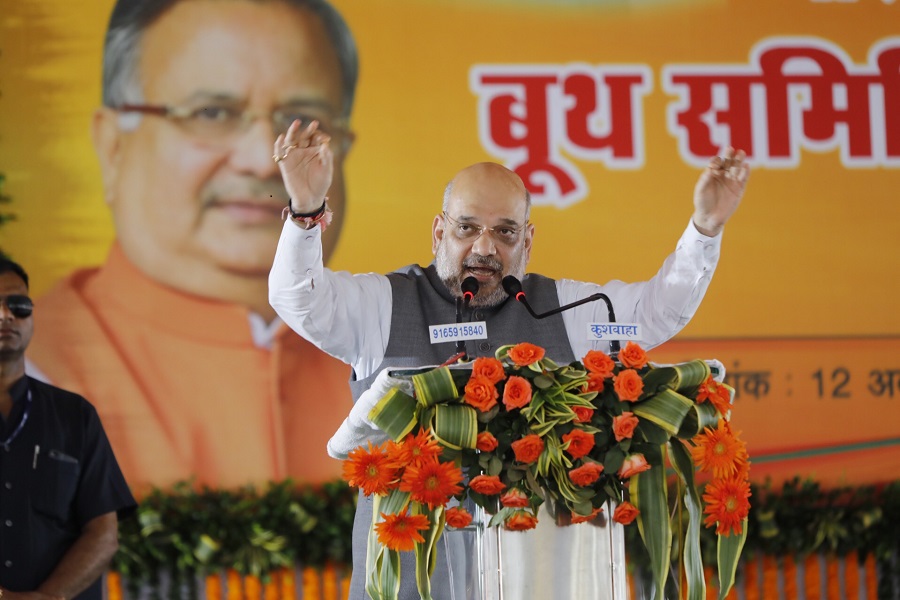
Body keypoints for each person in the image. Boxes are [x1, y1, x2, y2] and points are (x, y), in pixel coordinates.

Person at [268, 120, 750, 597]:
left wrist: (704, 230)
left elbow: (651, 313)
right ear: (438, 232)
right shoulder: (384, 304)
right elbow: (299, 299)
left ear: (528, 240)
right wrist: (306, 213)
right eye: (467, 228)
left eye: (505, 231)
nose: (485, 247)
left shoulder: (566, 309)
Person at [27, 0, 359, 491]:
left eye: (303, 120)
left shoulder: (389, 367)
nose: (263, 161)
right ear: (112, 148)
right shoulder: (33, 374)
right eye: (212, 112)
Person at [0, 258, 136, 600]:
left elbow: (103, 533)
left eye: (18, 304)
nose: (6, 316)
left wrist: (48, 598)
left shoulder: (74, 415)